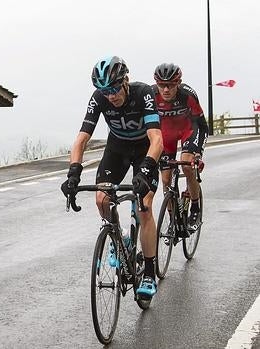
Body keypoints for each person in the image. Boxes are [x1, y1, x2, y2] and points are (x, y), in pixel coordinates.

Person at [61, 56, 163, 300]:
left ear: (125, 81)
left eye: (115, 89)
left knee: (145, 207)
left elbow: (156, 139)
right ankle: (121, 239)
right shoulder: (99, 99)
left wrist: (147, 169)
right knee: (102, 200)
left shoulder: (143, 93)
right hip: (116, 149)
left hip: (144, 151)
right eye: (105, 91)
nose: (111, 95)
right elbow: (82, 138)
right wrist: (73, 172)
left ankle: (149, 273)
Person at [153, 63, 208, 232]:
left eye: (170, 85)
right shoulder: (151, 95)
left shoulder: (187, 95)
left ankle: (195, 208)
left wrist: (198, 153)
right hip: (166, 134)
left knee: (186, 165)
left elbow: (202, 125)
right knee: (166, 179)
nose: (166, 89)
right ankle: (172, 219)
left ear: (178, 83)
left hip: (187, 130)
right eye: (162, 85)